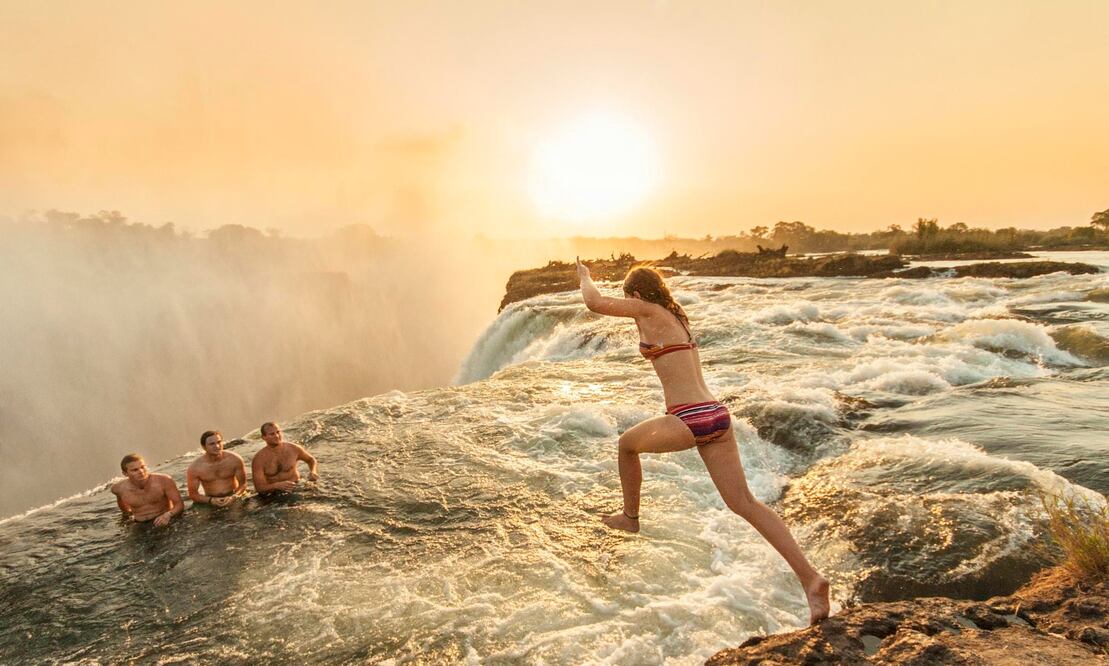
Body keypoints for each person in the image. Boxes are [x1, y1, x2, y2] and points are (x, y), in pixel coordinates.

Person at [576, 259, 830, 624]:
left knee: (626, 445)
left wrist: (585, 277)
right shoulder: (676, 316)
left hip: (689, 416)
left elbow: (594, 303)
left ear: (635, 294)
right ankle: (811, 579)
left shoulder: (646, 309)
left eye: (628, 297)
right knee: (745, 503)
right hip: (717, 416)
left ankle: (630, 518)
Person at [111, 454, 184, 526]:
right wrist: (127, 517)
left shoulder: (164, 480)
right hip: (140, 524)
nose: (141, 471)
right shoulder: (118, 488)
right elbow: (122, 505)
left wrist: (168, 515)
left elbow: (179, 505)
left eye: (143, 467)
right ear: (125, 473)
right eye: (135, 470)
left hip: (165, 520)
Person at [251, 422, 319, 493]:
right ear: (264, 437)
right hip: (273, 494)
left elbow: (311, 460)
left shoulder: (294, 449)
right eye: (272, 434)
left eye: (278, 432)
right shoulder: (259, 459)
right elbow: (259, 488)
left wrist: (313, 471)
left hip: (296, 487)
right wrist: (276, 486)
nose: (277, 436)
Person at [186, 430, 248, 506]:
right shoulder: (195, 468)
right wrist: (210, 501)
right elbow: (193, 495)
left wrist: (234, 496)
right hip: (210, 500)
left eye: (219, 442)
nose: (217, 446)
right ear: (204, 447)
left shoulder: (235, 459)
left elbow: (243, 484)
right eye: (212, 444)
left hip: (233, 496)